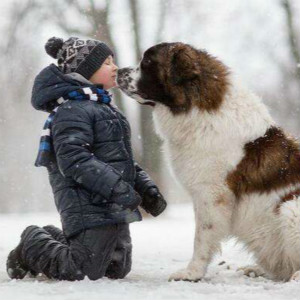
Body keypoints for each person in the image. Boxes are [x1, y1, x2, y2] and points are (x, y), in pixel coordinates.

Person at [6, 37, 167, 281]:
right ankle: (32, 243)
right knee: (81, 269)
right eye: (105, 63)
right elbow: (74, 160)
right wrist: (118, 188)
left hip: (113, 203)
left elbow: (121, 159)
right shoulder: (72, 110)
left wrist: (146, 189)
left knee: (116, 269)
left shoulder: (106, 109)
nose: (114, 67)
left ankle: (55, 237)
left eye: (113, 61)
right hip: (86, 203)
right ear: (84, 72)